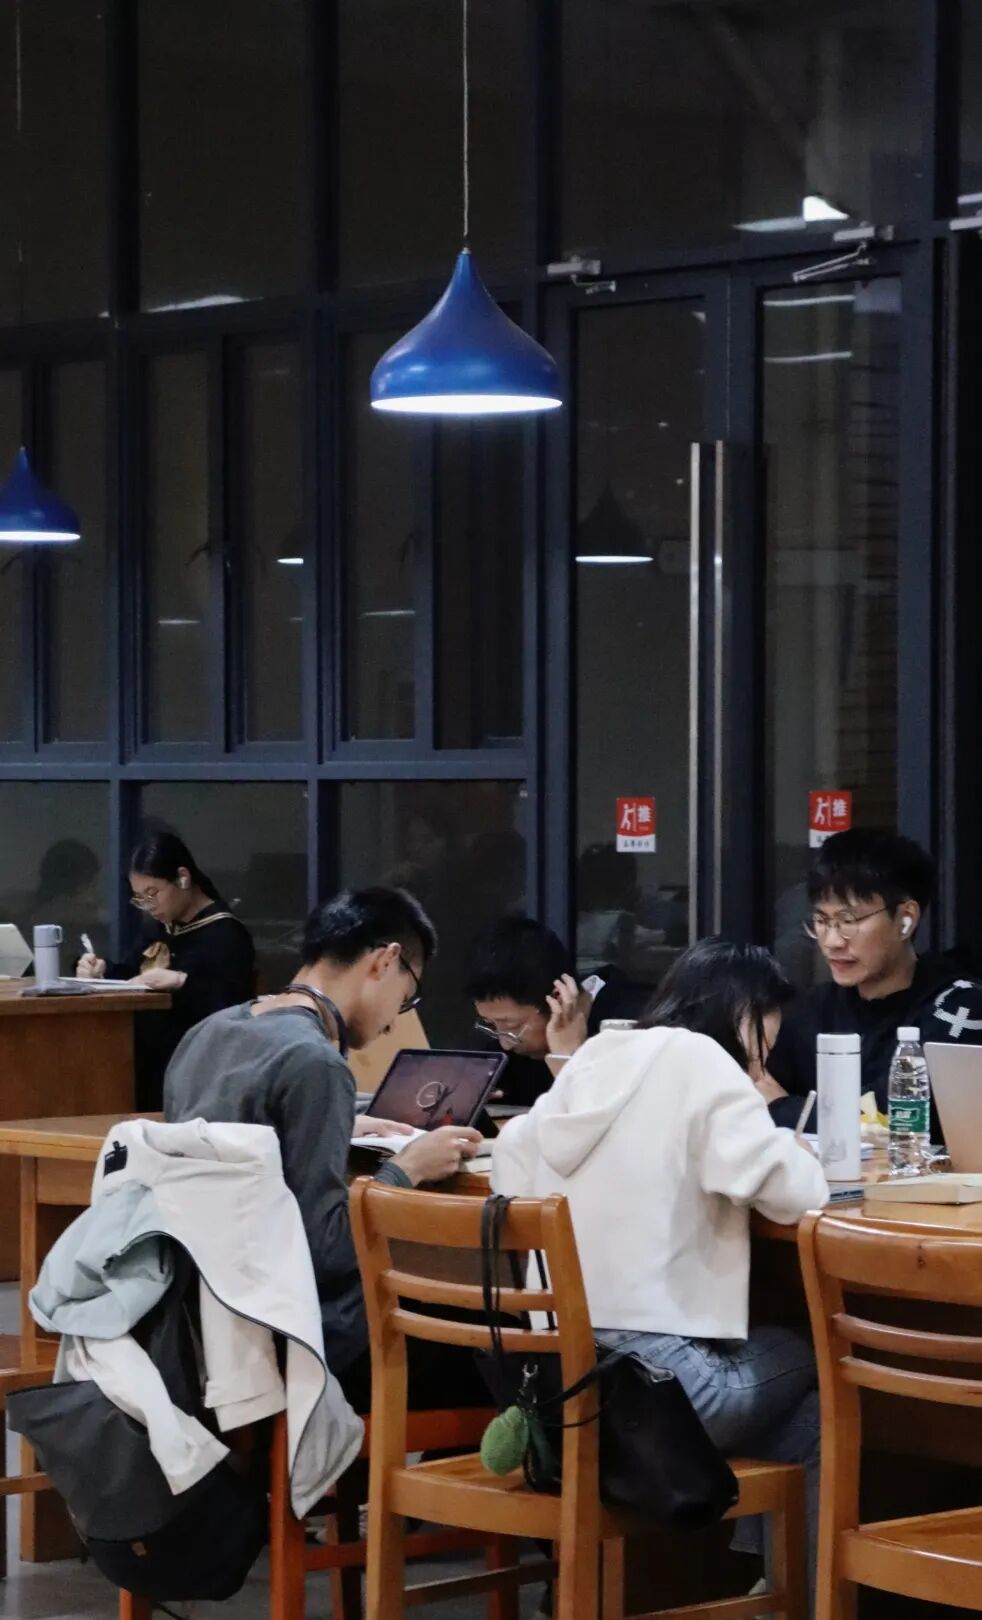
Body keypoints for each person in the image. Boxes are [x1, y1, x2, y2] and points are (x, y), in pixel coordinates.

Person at [491, 938, 828, 1609]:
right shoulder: (702, 1061)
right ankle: (795, 1599)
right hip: (656, 1395)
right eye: (768, 1031)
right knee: (820, 1362)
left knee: (803, 1419)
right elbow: (799, 1194)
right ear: (747, 1016)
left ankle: (760, 1586)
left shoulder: (596, 1056)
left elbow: (510, 1161)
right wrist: (778, 1129)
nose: (768, 1049)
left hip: (561, 1394)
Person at [163, 885, 487, 1410]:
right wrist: (407, 1169)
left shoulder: (207, 1033)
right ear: (385, 961)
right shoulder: (314, 1062)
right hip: (303, 1341)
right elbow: (326, 1252)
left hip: (203, 1328)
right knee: (496, 1345)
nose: (394, 1020)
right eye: (405, 998)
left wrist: (343, 1117)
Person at [762, 829, 982, 1135]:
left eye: (848, 921)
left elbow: (898, 1120)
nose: (832, 941)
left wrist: (785, 1108)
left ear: (906, 918)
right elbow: (757, 1098)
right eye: (822, 921)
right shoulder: (811, 1010)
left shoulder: (958, 1008)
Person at [77, 831, 255, 1109]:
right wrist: (102, 972)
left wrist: (182, 981)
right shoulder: (159, 927)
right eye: (140, 898)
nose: (149, 906)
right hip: (143, 1061)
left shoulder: (225, 934)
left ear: (183, 878)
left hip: (196, 1072)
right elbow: (133, 975)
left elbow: (233, 1006)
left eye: (153, 893)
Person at [465, 915, 649, 1105]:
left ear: (557, 998)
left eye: (512, 1025)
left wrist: (568, 1057)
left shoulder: (631, 1024)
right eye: (489, 1024)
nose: (505, 1044)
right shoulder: (510, 1046)